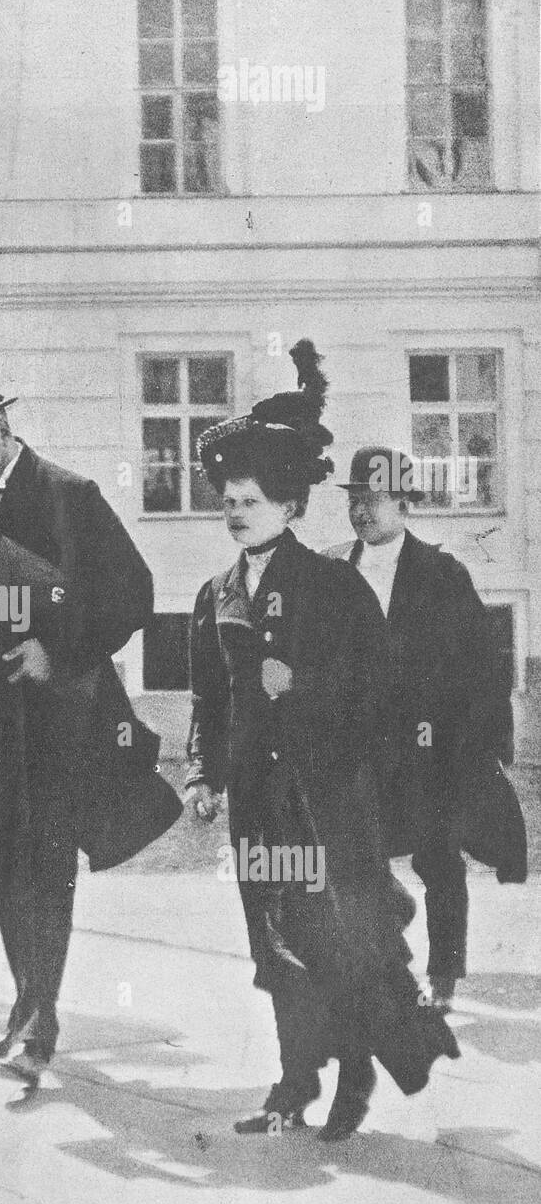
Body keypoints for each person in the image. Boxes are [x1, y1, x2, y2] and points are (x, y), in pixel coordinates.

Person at [185, 342, 459, 1140]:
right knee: (272, 941)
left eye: (253, 499)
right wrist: (205, 775)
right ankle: (291, 1082)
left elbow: (378, 696)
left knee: (337, 939)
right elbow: (209, 696)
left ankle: (353, 1080)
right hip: (260, 809)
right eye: (228, 499)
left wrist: (297, 689)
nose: (237, 511)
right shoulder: (216, 593)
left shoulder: (332, 587)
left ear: (291, 507)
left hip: (327, 805)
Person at [0, 366, 177, 1085]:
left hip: (59, 720)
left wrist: (58, 648)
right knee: (4, 863)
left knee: (46, 865)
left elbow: (133, 593)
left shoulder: (67, 494)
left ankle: (38, 1022)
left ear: (1, 425)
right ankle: (26, 1010)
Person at [328, 447, 526, 1012]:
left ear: (403, 502)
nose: (361, 511)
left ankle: (443, 979)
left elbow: (483, 665)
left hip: (430, 749)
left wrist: (482, 749)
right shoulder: (333, 571)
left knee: (438, 862)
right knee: (356, 863)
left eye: (373, 499)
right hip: (361, 750)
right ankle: (387, 966)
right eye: (354, 500)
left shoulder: (441, 572)